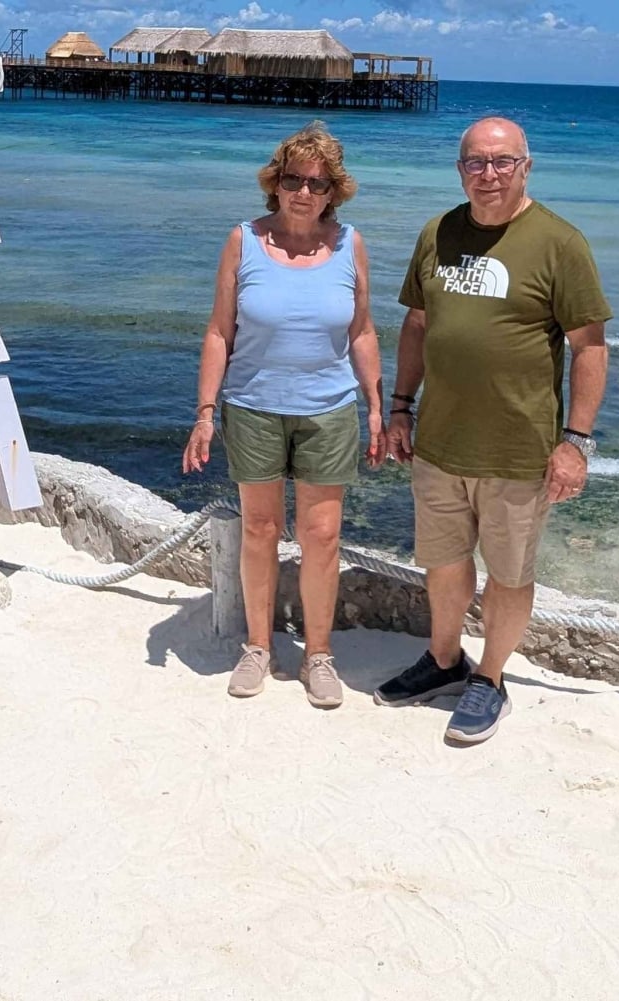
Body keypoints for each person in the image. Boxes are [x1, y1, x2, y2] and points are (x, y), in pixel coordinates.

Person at [376, 116, 611, 743]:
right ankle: (445, 660)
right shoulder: (437, 232)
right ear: (460, 169)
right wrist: (400, 406)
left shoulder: (560, 242)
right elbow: (419, 326)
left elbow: (590, 347)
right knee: (445, 561)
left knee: (508, 572)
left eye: (502, 162)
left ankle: (491, 679)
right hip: (439, 442)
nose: (488, 174)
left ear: (526, 167)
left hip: (518, 450)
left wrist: (576, 443)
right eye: (476, 162)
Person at [183, 122, 384, 709]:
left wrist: (376, 404)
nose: (304, 191)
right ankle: (257, 647)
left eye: (317, 183)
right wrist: (203, 412)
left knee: (322, 536)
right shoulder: (242, 241)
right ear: (276, 183)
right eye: (294, 179)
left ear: (333, 191)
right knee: (260, 529)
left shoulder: (351, 245)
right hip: (252, 407)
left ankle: (318, 655)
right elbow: (220, 332)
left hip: (328, 409)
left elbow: (363, 330)